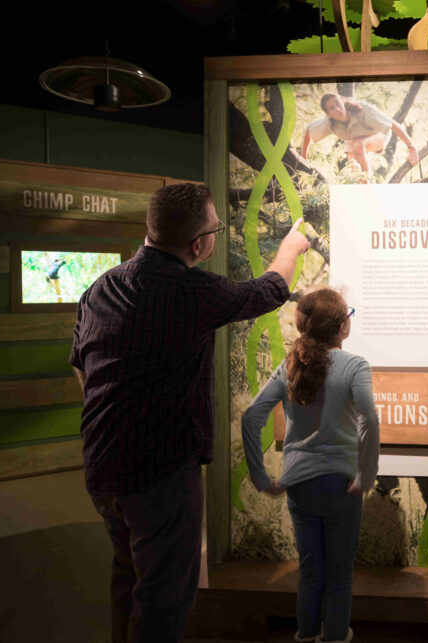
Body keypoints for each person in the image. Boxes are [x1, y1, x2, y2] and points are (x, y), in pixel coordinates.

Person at [69, 182, 309, 642]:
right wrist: (292, 246)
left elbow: (82, 368)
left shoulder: (101, 287)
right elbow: (269, 290)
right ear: (200, 244)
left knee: (128, 575)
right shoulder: (191, 291)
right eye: (216, 227)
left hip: (101, 465)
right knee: (163, 598)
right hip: (160, 472)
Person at [242, 288, 379, 643]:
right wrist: (365, 473)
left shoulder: (288, 367)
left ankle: (305, 636)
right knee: (339, 576)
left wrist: (261, 477)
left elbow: (250, 418)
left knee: (310, 573)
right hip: (341, 485)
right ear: (342, 328)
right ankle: (333, 638)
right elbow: (370, 421)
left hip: (298, 486)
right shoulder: (356, 366)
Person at [300, 92, 420, 175]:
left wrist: (412, 147)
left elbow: (392, 124)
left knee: (357, 145)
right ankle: (358, 184)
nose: (337, 109)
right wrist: (303, 159)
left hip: (379, 135)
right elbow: (309, 131)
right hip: (356, 140)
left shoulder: (362, 110)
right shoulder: (329, 123)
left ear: (342, 101)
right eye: (331, 108)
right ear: (328, 114)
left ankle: (365, 186)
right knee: (352, 163)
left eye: (337, 103)